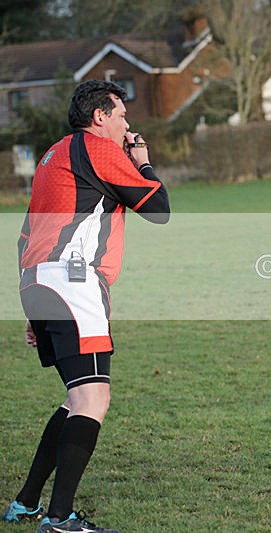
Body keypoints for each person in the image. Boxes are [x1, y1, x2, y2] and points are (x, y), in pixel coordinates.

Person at [2, 80, 169, 533]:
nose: (126, 124)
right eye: (120, 114)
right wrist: (144, 162)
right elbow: (158, 208)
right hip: (74, 281)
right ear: (99, 117)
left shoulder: (53, 155)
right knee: (93, 397)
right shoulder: (97, 148)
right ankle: (60, 519)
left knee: (76, 396)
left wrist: (33, 309)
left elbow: (25, 236)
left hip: (38, 281)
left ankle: (26, 503)